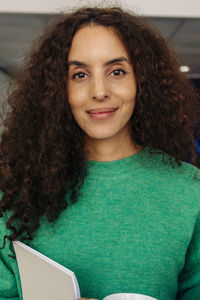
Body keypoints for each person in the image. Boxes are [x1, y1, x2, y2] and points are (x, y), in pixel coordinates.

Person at [0, 6, 200, 300]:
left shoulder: (189, 189)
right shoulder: (18, 189)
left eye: (117, 71)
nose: (99, 91)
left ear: (141, 81)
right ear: (59, 89)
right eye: (79, 74)